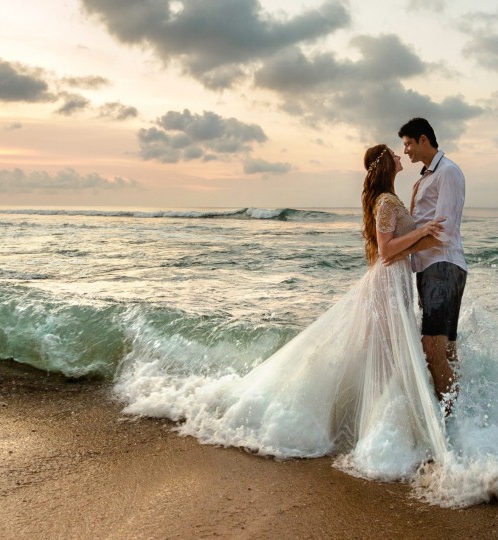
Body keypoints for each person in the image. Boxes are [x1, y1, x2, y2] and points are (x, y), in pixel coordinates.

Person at [172, 144, 450, 481]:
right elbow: (388, 250)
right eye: (393, 153)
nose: (399, 156)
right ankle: (383, 436)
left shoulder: (389, 199)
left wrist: (430, 238)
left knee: (387, 354)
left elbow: (396, 250)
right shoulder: (385, 202)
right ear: (384, 164)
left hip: (396, 283)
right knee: (388, 354)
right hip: (388, 284)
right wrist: (423, 232)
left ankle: (383, 428)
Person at [397, 118, 467, 406]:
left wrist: (400, 251)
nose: (405, 151)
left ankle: (450, 420)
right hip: (428, 267)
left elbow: (444, 233)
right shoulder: (425, 177)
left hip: (443, 265)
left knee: (432, 349)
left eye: (408, 143)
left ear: (423, 139)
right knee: (446, 349)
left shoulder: (447, 172)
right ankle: (462, 416)